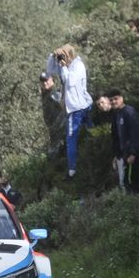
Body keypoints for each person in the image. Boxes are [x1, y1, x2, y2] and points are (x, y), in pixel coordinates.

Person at [46, 45, 91, 179]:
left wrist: (63, 66)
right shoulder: (63, 65)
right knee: (83, 134)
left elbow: (69, 81)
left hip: (78, 108)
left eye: (63, 55)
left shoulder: (78, 66)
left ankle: (72, 170)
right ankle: (80, 164)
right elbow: (48, 71)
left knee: (71, 139)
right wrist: (52, 56)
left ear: (69, 55)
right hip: (74, 107)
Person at [108, 91, 139, 193]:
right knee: (124, 182)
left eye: (115, 99)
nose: (114, 101)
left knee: (133, 181)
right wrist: (116, 155)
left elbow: (136, 133)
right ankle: (129, 205)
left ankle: (137, 204)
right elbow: (115, 137)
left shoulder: (129, 112)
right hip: (123, 153)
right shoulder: (116, 114)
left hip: (134, 152)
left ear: (121, 98)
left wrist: (133, 153)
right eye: (111, 100)